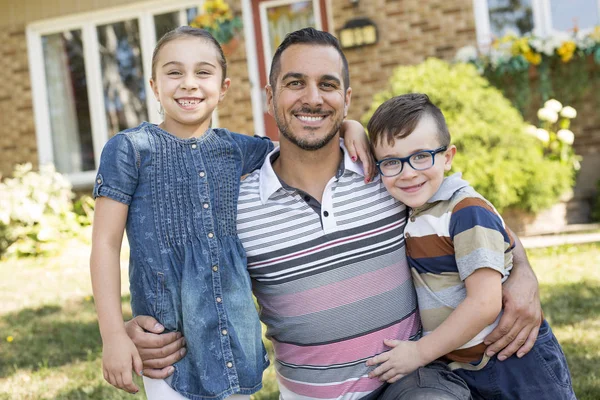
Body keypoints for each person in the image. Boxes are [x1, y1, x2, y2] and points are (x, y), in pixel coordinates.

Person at [125, 28, 543, 399]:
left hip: (411, 380)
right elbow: (197, 281)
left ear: (345, 100)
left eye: (327, 84)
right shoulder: (234, 202)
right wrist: (136, 331)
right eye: (295, 83)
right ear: (270, 99)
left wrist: (523, 272)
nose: (312, 97)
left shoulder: (388, 173)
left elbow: (468, 210)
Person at [90, 26, 372, 400]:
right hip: (170, 345)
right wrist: (112, 334)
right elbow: (105, 245)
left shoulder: (235, 149)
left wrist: (349, 126)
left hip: (235, 339)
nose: (189, 84)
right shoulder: (131, 150)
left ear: (223, 88)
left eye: (203, 73)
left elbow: (297, 141)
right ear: (155, 86)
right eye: (174, 73)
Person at [365, 93, 575, 399]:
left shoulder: (465, 210)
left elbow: (484, 303)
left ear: (448, 157)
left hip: (515, 360)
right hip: (468, 364)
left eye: (422, 156)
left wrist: (419, 353)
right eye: (392, 162)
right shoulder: (418, 209)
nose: (408, 172)